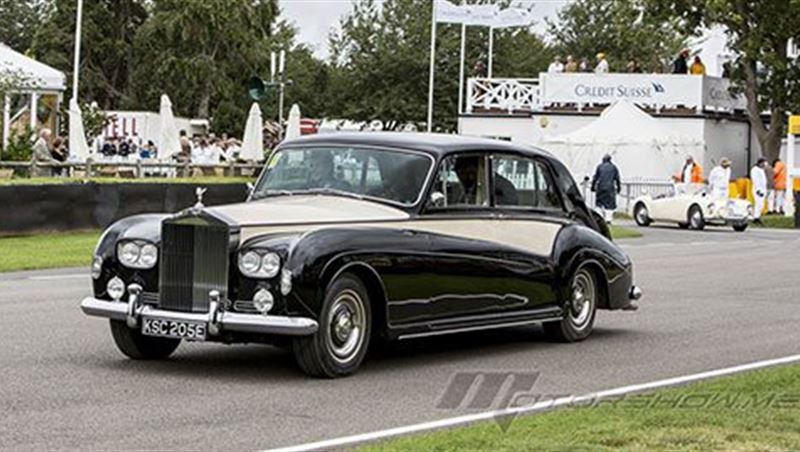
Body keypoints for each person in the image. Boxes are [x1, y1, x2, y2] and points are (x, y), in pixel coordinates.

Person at [591, 154, 621, 224]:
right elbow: (617, 179)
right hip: (610, 188)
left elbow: (595, 178)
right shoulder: (614, 167)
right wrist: (619, 188)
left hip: (600, 187)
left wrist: (593, 187)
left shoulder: (599, 166)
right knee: (609, 204)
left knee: (599, 203)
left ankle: (599, 218)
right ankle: (608, 219)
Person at [750, 158, 768, 224]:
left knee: (761, 204)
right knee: (758, 203)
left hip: (762, 189)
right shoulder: (755, 170)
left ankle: (757, 216)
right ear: (760, 163)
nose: (765, 164)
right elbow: (755, 180)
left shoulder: (761, 170)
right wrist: (758, 190)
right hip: (758, 189)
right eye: (764, 163)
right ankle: (755, 217)